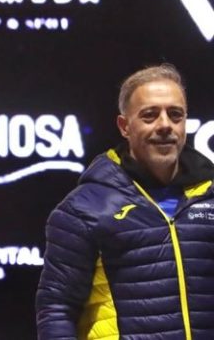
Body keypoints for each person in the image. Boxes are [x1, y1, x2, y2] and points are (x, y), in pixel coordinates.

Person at [37, 64, 214, 339]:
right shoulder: (84, 209)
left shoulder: (209, 195)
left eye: (175, 114)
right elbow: (57, 310)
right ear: (125, 126)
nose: (165, 125)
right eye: (149, 115)